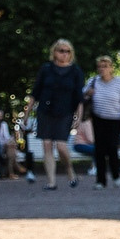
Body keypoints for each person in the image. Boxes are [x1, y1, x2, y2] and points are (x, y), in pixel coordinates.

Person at [27, 40, 86, 187]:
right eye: (61, 50)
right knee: (46, 144)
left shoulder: (75, 71)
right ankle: (51, 181)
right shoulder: (46, 69)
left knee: (61, 145)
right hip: (45, 111)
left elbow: (79, 97)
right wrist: (27, 112)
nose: (64, 54)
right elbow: (35, 93)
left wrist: (78, 117)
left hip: (65, 112)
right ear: (54, 52)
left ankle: (69, 169)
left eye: (67, 51)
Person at [84, 56, 120, 188]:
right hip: (98, 118)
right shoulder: (93, 81)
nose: (102, 69)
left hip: (115, 119)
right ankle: (100, 180)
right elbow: (82, 95)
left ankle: (116, 175)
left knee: (112, 148)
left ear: (111, 68)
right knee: (99, 149)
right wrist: (88, 93)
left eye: (105, 66)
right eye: (100, 66)